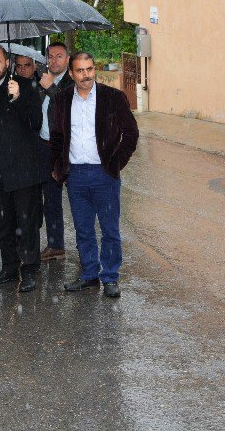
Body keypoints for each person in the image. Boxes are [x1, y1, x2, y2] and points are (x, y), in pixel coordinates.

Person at [49, 52, 139, 299]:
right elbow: (56, 137)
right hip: (76, 175)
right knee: (83, 229)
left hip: (104, 175)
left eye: (89, 69)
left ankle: (110, 277)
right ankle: (89, 274)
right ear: (71, 73)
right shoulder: (62, 99)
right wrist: (59, 168)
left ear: (94, 70)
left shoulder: (113, 98)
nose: (86, 75)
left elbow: (131, 133)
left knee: (110, 229)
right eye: (80, 71)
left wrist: (115, 163)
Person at [0, 43, 44, 293]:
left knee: (26, 220)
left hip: (23, 167)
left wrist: (18, 99)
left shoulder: (24, 87)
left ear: (7, 63)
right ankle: (10, 267)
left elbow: (35, 122)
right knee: (2, 222)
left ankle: (30, 269)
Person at [36, 41, 73, 261]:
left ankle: (64, 244)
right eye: (50, 56)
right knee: (49, 199)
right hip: (43, 146)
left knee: (73, 198)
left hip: (63, 148)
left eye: (59, 56)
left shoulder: (71, 82)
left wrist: (51, 87)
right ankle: (55, 244)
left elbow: (67, 108)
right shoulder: (42, 80)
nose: (54, 60)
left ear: (67, 59)